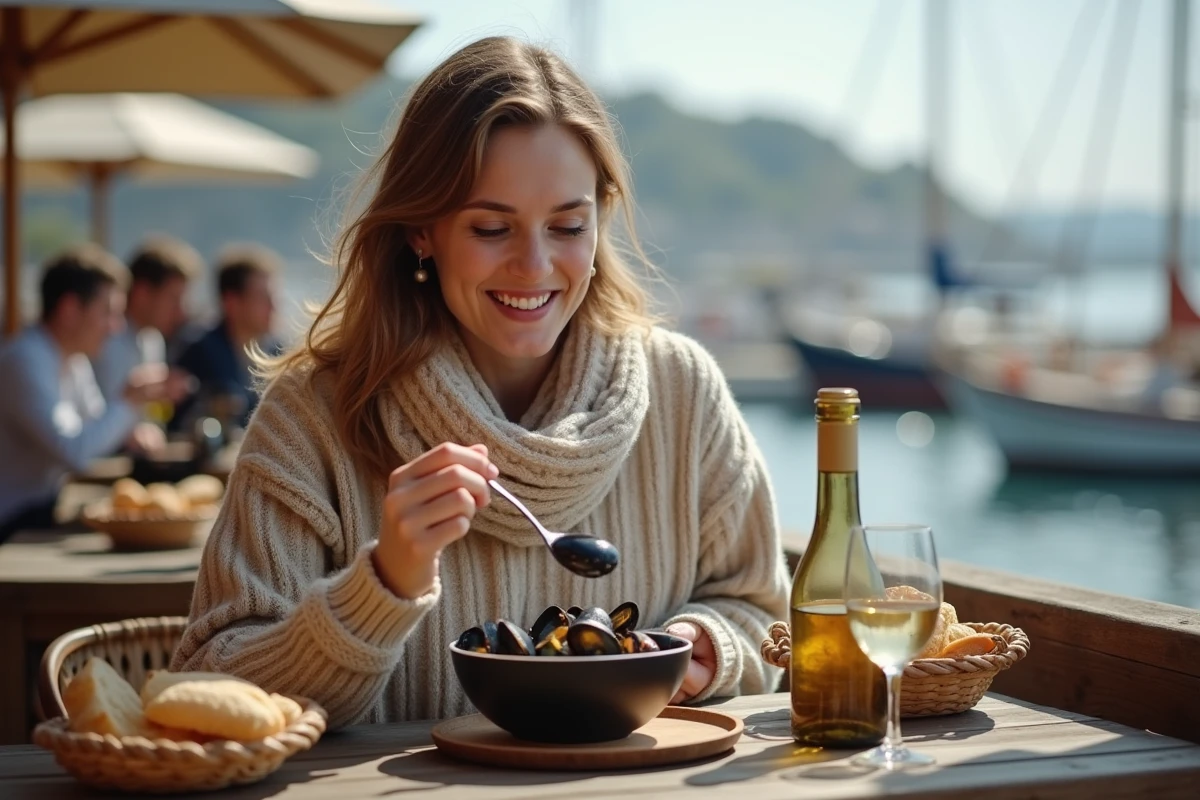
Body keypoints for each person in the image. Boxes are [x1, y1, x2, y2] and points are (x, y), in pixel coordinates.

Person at [170, 36, 790, 729]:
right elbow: (208, 683)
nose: (533, 265)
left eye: (567, 225)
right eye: (492, 228)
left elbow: (763, 613)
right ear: (419, 232)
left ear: (600, 221)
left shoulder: (684, 392)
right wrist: (383, 584)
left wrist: (703, 647)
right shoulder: (312, 416)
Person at [0, 244, 176, 542]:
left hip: (38, 514)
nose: (116, 327)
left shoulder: (72, 359)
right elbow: (76, 451)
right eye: (108, 312)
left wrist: (134, 431)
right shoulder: (24, 360)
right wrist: (130, 402)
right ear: (69, 310)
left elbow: (96, 431)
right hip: (11, 526)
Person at [91, 234, 200, 440]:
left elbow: (145, 418)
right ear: (142, 293)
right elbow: (94, 420)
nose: (181, 312)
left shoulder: (152, 339)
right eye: (174, 299)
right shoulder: (104, 338)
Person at [171, 243, 282, 432]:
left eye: (274, 297)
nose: (273, 307)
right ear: (232, 302)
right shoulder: (199, 351)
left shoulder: (278, 353)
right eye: (262, 297)